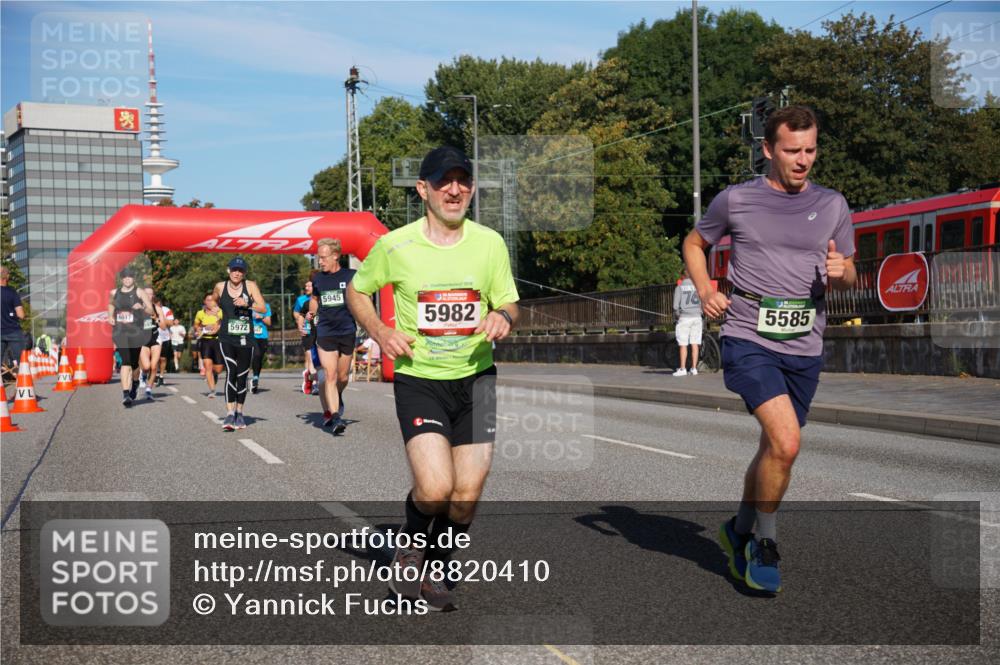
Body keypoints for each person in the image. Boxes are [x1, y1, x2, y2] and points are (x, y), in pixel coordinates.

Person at [682, 105, 856, 593]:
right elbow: (694, 243)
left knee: (772, 449)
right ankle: (764, 542)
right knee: (786, 442)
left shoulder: (834, 205)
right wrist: (706, 289)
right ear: (767, 150)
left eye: (811, 149)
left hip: (806, 342)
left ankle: (737, 530)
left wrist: (846, 274)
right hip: (748, 334)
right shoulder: (737, 201)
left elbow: (849, 275)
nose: (804, 160)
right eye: (792, 150)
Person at [347, 146, 519, 611]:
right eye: (444, 181)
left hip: (477, 379)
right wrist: (380, 330)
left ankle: (438, 564)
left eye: (463, 180)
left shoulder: (489, 243)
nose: (455, 189)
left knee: (465, 496)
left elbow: (509, 300)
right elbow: (356, 290)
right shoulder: (394, 245)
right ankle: (412, 546)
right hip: (420, 380)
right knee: (434, 489)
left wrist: (503, 315)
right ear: (423, 189)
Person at [212, 257, 267, 431]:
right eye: (234, 270)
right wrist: (215, 311)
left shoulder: (250, 286)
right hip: (227, 337)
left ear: (245, 273)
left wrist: (248, 303)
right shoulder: (220, 287)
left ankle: (239, 412)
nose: (237, 273)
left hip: (246, 338)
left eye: (240, 271)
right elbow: (212, 300)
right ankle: (229, 413)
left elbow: (263, 308)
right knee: (231, 371)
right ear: (228, 270)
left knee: (242, 375)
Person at [307, 238, 356, 433]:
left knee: (343, 377)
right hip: (326, 331)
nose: (320, 261)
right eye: (319, 258)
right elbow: (315, 299)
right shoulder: (318, 279)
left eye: (323, 257)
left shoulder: (352, 275)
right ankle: (335, 416)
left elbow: (363, 298)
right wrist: (311, 314)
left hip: (347, 330)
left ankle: (337, 395)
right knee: (330, 374)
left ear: (335, 256)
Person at [108, 268, 154, 406]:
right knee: (126, 361)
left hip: (136, 332)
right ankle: (125, 394)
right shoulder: (114, 293)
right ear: (121, 279)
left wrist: (142, 306)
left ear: (133, 279)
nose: (127, 280)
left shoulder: (139, 292)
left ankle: (135, 382)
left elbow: (151, 310)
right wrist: (110, 316)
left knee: (134, 364)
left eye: (130, 277)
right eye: (125, 278)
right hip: (120, 331)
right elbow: (111, 304)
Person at [672, 267, 703, 377]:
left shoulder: (679, 288)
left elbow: (675, 306)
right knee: (695, 343)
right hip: (697, 317)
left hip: (685, 317)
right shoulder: (698, 287)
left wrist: (677, 316)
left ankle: (682, 368)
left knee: (683, 344)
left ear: (682, 276)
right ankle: (694, 368)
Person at [194, 293, 223, 398]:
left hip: (218, 341)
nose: (210, 302)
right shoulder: (200, 313)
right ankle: (212, 390)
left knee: (219, 368)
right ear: (204, 302)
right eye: (208, 300)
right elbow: (196, 325)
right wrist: (199, 330)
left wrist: (216, 327)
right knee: (207, 365)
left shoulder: (220, 312)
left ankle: (215, 374)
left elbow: (224, 323)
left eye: (212, 300)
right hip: (205, 341)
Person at [293, 280, 318, 395]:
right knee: (309, 355)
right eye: (306, 285)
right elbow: (298, 314)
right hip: (308, 328)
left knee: (317, 358)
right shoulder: (302, 300)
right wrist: (300, 326)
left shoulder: (322, 298)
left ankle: (311, 376)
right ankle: (312, 379)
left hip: (321, 330)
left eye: (309, 285)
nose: (307, 287)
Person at [0, 266, 26, 374]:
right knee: (22, 362)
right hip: (13, 331)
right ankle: (23, 387)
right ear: (7, 277)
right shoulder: (12, 293)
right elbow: (21, 315)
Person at [250, 300, 272, 394]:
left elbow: (269, 323)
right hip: (250, 336)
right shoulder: (246, 305)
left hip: (262, 336)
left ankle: (255, 378)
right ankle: (253, 378)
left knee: (259, 358)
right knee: (256, 354)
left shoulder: (265, 306)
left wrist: (261, 316)